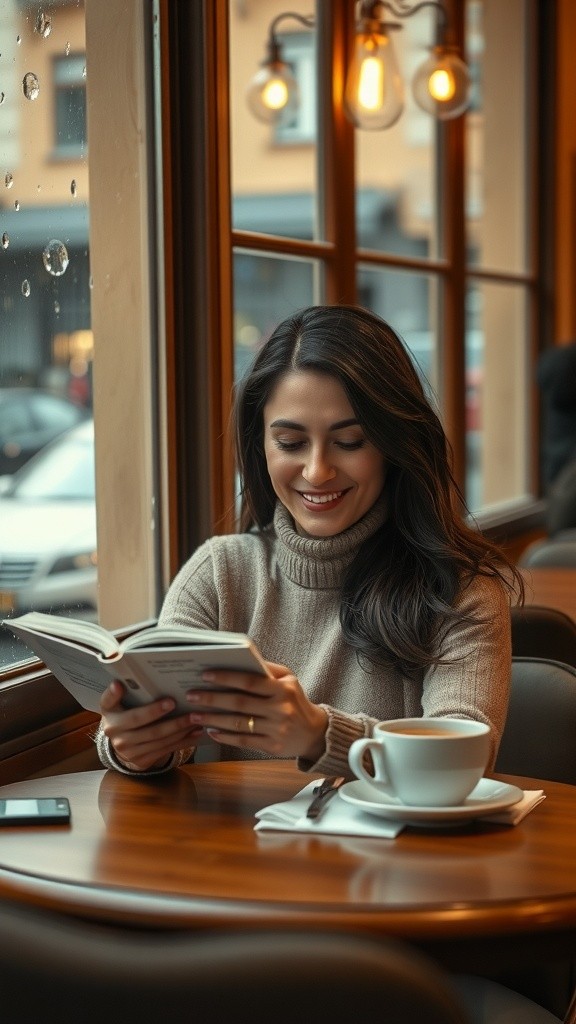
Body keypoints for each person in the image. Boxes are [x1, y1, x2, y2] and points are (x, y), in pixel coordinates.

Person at [96, 304, 524, 778]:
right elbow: (153, 728)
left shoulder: (462, 591)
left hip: (397, 854)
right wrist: (135, 747)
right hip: (233, 852)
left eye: (350, 441)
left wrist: (319, 734)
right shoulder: (220, 575)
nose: (317, 471)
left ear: (394, 444)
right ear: (261, 446)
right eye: (292, 443)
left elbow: (461, 765)